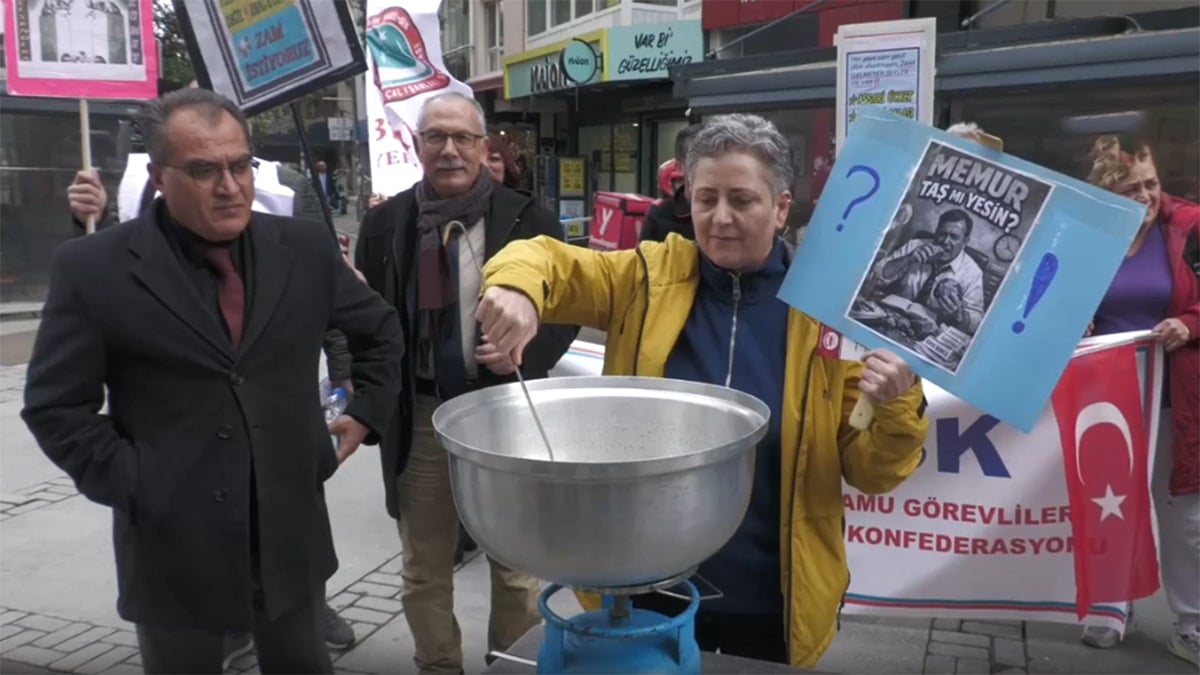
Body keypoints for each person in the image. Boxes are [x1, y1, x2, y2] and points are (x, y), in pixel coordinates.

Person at [475, 113, 928, 667]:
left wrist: (897, 405)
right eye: (705, 198)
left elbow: (870, 471)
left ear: (782, 208)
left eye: (742, 200)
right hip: (644, 588)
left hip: (771, 602)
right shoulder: (647, 276)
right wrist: (517, 289)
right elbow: (548, 258)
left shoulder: (829, 313)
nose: (720, 218)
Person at [22, 88, 404, 674]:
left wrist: (367, 411)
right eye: (203, 170)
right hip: (173, 549)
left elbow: (378, 329)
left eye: (239, 164)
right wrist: (137, 481)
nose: (229, 186)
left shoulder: (301, 247)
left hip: (288, 534)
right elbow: (55, 407)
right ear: (158, 176)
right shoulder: (94, 269)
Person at [354, 92, 578, 673]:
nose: (449, 150)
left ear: (483, 147)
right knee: (423, 566)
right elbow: (368, 328)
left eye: (463, 138)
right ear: (417, 144)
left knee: (516, 566)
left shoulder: (531, 220)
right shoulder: (384, 226)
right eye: (436, 137)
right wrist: (365, 402)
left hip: (504, 411)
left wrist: (524, 352)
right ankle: (439, 665)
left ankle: (510, 664)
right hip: (423, 415)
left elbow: (568, 306)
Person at [1080, 139, 1198, 665]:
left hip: (1176, 399)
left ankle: (1191, 623)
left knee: (1183, 519)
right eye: (1133, 189)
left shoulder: (1189, 228)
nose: (1149, 196)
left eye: (1152, 183)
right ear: (1108, 193)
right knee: (1109, 508)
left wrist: (1190, 324)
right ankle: (1110, 609)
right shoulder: (1089, 236)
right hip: (1108, 399)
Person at [868, 209, 986, 334]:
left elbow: (977, 321)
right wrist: (908, 259)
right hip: (891, 319)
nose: (945, 242)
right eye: (942, 234)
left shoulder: (972, 272)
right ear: (936, 232)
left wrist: (958, 315)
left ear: (965, 241)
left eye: (954, 237)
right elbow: (874, 276)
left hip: (930, 333)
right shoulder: (915, 245)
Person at [640, 123, 703, 242]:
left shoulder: (733, 211)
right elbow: (644, 258)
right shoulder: (659, 216)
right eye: (698, 160)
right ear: (680, 167)